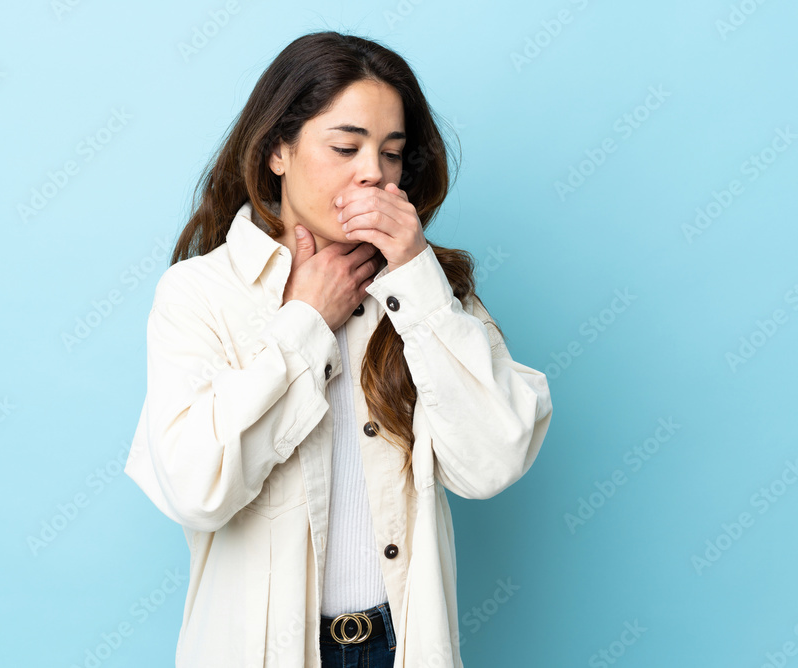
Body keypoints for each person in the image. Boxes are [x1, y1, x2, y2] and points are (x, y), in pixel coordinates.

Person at [124, 30, 553, 668]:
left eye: (391, 152)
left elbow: (495, 460)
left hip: (398, 646)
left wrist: (416, 277)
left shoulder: (427, 294)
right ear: (277, 151)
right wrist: (306, 321)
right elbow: (195, 487)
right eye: (346, 147)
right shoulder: (200, 293)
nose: (373, 172)